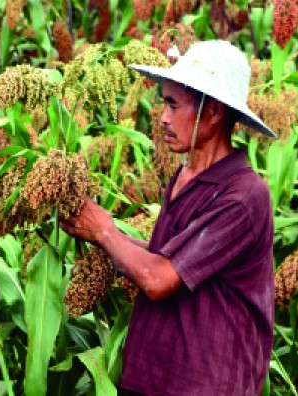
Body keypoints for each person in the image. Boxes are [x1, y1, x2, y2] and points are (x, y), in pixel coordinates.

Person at [60, 40, 277, 395]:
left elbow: (160, 278)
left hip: (204, 386)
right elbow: (173, 259)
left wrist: (105, 230)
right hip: (155, 379)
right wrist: (95, 231)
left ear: (214, 112)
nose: (162, 117)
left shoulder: (243, 196)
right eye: (164, 103)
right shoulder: (187, 176)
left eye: (174, 105)